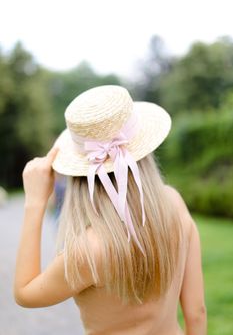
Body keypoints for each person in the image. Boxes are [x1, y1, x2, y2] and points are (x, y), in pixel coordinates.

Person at [14, 85, 207, 335]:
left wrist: (35, 203)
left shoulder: (87, 249)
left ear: (79, 174)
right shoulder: (174, 203)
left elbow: (24, 292)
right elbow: (196, 313)